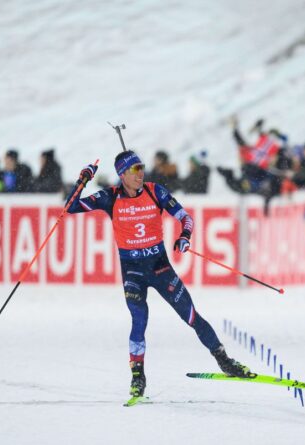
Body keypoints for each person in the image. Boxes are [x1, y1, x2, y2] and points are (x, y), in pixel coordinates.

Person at [64, 151, 254, 398]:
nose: (140, 174)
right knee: (139, 320)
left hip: (160, 268)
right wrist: (83, 179)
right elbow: (70, 207)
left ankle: (224, 360)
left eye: (141, 167)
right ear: (122, 174)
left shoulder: (155, 191)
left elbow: (185, 217)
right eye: (134, 170)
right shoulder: (110, 197)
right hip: (132, 271)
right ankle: (138, 377)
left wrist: (184, 236)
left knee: (191, 315)